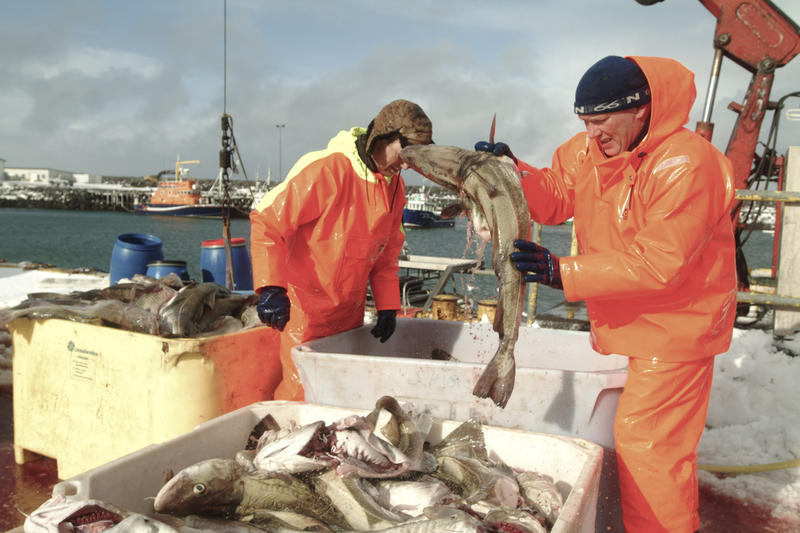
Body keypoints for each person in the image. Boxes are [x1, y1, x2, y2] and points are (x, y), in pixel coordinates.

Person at [477, 56, 737, 532]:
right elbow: (556, 194)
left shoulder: (688, 163)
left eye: (600, 120)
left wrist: (562, 271)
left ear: (641, 110)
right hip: (629, 324)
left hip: (676, 331)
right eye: (584, 121)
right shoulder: (587, 149)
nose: (592, 133)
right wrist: (514, 172)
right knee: (639, 444)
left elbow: (659, 262)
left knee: (649, 448)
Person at [250, 99, 433, 401]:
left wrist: (388, 307)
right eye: (407, 150)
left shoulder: (395, 189)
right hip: (303, 315)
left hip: (349, 316)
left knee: (341, 398)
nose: (409, 162)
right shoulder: (328, 169)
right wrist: (270, 287)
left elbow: (386, 256)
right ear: (384, 136)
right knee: (300, 397)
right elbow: (267, 221)